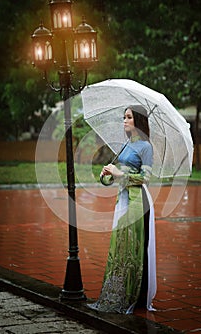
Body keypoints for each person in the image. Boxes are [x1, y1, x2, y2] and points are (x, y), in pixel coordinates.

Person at [87, 104, 156, 314]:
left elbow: (146, 178)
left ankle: (135, 296)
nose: (124, 121)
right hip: (123, 199)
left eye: (128, 117)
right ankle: (117, 294)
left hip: (138, 201)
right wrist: (106, 176)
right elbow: (116, 177)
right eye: (123, 117)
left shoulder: (146, 146)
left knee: (133, 250)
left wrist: (118, 174)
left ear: (138, 121)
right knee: (119, 247)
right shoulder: (126, 145)